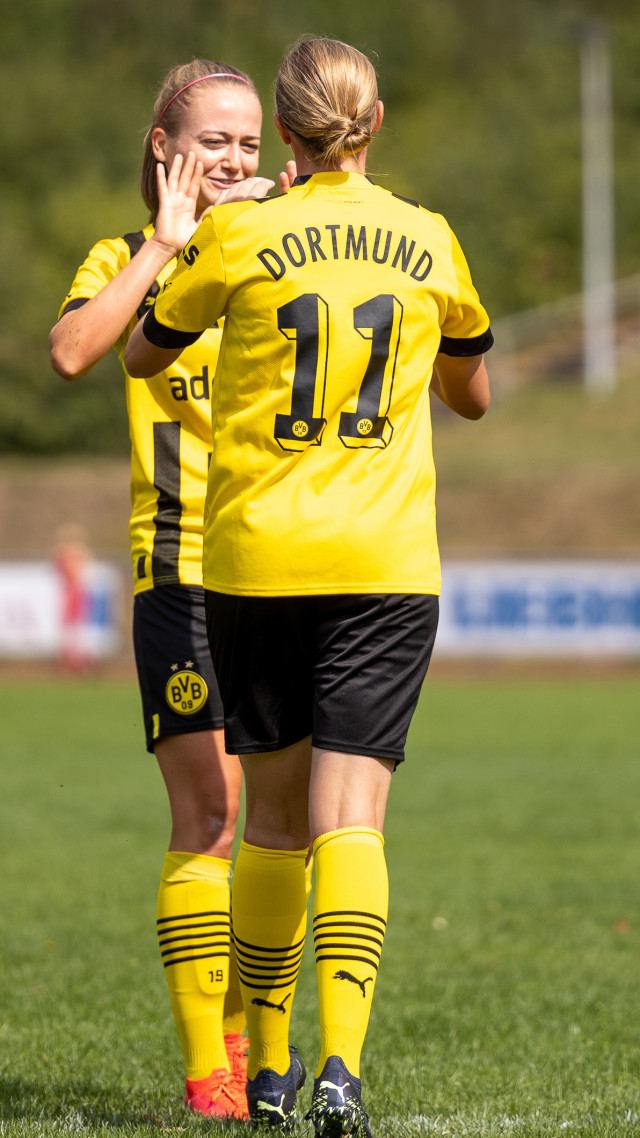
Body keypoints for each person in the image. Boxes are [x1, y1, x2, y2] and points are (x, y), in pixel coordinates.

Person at [125, 36, 492, 1136]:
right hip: (384, 566)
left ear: (283, 132)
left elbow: (144, 355)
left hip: (258, 562)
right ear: (373, 124)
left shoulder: (241, 232)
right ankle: (343, 1067)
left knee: (274, 823)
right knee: (354, 823)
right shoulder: (428, 238)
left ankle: (271, 1070)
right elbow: (471, 394)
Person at [49, 59, 278, 1120]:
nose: (233, 158)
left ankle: (253, 1043)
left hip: (284, 571)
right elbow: (71, 352)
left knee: (287, 823)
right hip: (180, 571)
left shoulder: (278, 248)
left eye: (248, 141)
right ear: (164, 147)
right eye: (213, 140)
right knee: (213, 813)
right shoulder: (122, 256)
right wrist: (164, 246)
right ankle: (208, 1073)